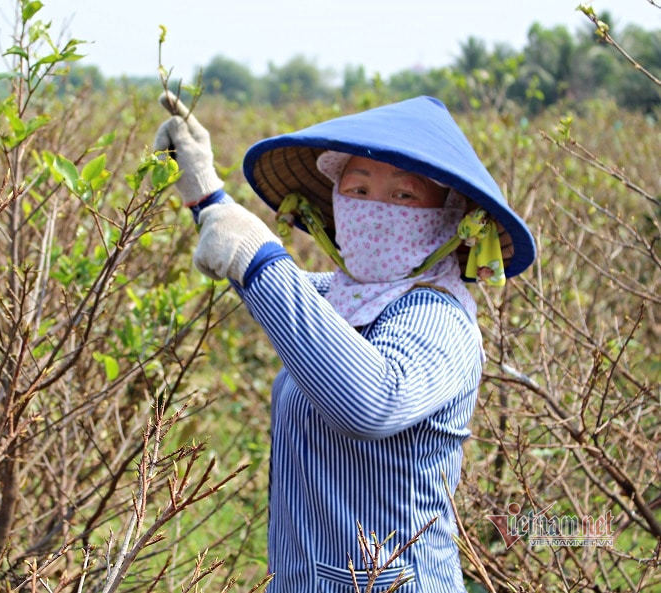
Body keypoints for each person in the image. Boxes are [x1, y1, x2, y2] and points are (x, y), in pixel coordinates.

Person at [154, 94, 535, 593]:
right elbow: (288, 297)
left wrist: (258, 257)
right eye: (357, 188)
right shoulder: (346, 299)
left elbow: (371, 401)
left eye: (404, 196)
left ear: (450, 216)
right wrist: (206, 198)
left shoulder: (437, 318)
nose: (375, 211)